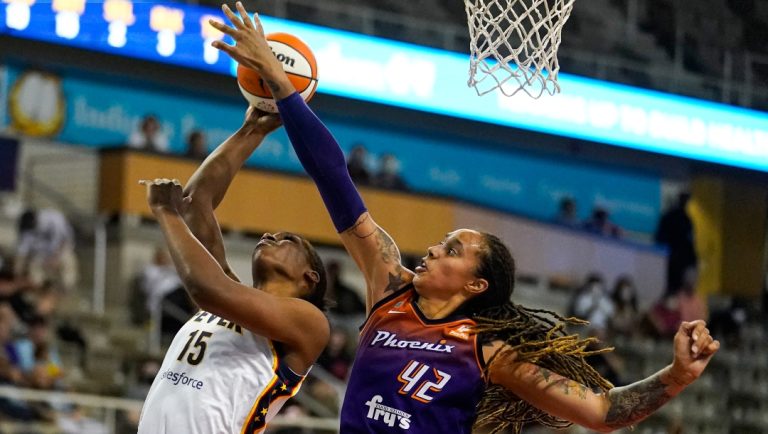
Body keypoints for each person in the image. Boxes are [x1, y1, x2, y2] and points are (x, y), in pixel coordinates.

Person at [211, 4, 720, 432]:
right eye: (442, 242)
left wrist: (676, 376)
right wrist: (283, 87)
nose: (433, 249)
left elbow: (604, 412)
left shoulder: (489, 352)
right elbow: (334, 181)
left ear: (477, 284)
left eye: (453, 249)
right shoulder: (390, 291)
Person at [136, 106, 330, 433]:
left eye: (287, 240)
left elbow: (204, 288)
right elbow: (196, 200)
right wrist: (251, 131)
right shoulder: (229, 293)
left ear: (309, 277)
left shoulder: (309, 322)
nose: (270, 235)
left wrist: (165, 214)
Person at [654, 192, 697, 296]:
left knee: (673, 286)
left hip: (674, 257)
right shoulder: (683, 219)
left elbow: (659, 238)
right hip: (675, 258)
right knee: (675, 286)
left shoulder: (684, 219)